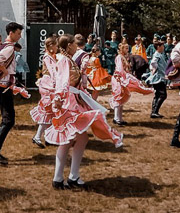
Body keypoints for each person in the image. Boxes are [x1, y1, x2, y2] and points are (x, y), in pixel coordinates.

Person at [46, 34, 123, 189]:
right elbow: (61, 82)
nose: (77, 46)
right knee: (68, 140)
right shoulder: (64, 60)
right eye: (74, 43)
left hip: (73, 100)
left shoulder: (67, 59)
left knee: (78, 139)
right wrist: (58, 100)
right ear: (69, 45)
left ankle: (68, 177)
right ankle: (62, 178)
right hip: (69, 102)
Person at [0, 22, 24, 165]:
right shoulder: (9, 48)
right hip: (4, 86)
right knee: (8, 120)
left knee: (8, 119)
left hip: (3, 85)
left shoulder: (5, 46)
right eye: (18, 33)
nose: (20, 36)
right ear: (11, 33)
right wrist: (5, 72)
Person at [110, 43, 154, 126]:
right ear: (122, 49)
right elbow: (119, 69)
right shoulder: (119, 57)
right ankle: (116, 118)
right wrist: (121, 77)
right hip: (118, 78)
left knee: (122, 98)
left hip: (122, 78)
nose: (127, 50)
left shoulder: (124, 57)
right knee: (118, 97)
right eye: (126, 48)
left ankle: (119, 118)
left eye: (127, 48)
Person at [31, 35, 59, 148]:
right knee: (47, 111)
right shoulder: (48, 57)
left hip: (49, 84)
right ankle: (37, 136)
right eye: (56, 46)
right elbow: (53, 72)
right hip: (48, 85)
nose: (57, 48)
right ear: (51, 46)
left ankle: (48, 137)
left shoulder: (51, 56)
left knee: (51, 112)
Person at [146, 40, 168, 118]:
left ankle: (154, 111)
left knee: (158, 95)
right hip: (158, 77)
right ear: (158, 47)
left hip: (160, 77)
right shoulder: (157, 55)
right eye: (162, 46)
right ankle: (154, 111)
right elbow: (153, 63)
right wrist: (154, 69)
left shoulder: (159, 54)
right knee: (162, 95)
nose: (163, 47)